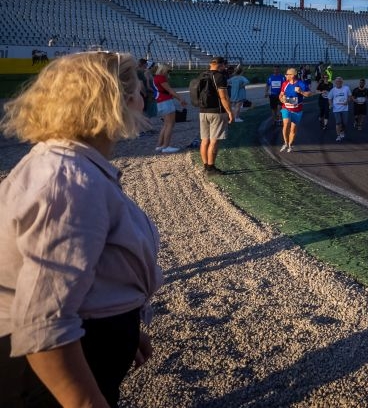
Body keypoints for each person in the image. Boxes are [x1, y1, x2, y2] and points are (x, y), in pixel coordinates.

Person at [0, 52, 162, 407]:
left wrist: (124, 329)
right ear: (117, 101)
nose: (144, 97)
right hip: (45, 378)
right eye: (139, 90)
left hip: (88, 343)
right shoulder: (68, 181)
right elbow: (43, 324)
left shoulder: (68, 164)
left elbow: (84, 272)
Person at [197, 57, 233, 174]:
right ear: (221, 65)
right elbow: (223, 97)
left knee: (204, 140)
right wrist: (229, 111)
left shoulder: (202, 74)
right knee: (214, 141)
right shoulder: (220, 77)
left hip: (203, 111)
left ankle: (206, 166)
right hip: (217, 112)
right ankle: (211, 167)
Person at [152, 63, 186, 154]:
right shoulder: (161, 78)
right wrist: (180, 98)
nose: (169, 72)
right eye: (168, 71)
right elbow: (170, 90)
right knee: (170, 124)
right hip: (166, 101)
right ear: (164, 70)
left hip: (160, 101)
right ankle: (166, 146)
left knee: (166, 124)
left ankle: (160, 145)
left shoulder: (156, 77)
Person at [327, 76, 353, 142]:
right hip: (336, 109)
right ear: (335, 82)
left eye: (340, 81)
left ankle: (342, 131)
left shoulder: (346, 88)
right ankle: (338, 136)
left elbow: (350, 96)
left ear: (342, 82)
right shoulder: (333, 90)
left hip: (345, 109)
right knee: (338, 122)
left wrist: (347, 101)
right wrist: (331, 104)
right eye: (337, 81)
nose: (338, 82)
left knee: (345, 122)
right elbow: (329, 98)